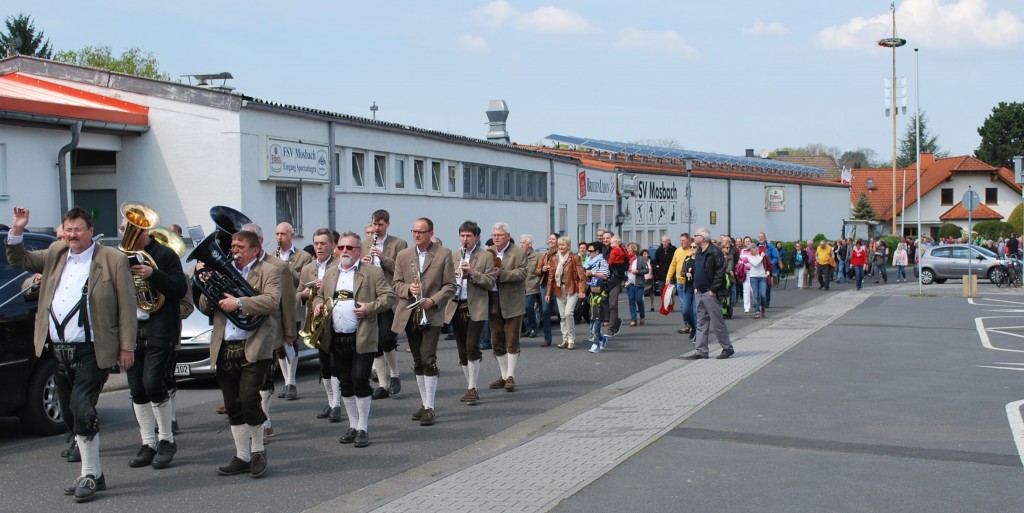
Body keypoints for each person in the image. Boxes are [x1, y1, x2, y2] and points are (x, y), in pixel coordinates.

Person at [7, 206, 136, 503]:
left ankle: (88, 474)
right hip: (58, 349)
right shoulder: (55, 252)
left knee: (82, 407)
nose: (72, 235)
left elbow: (127, 307)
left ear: (90, 231)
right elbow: (20, 259)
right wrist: (17, 229)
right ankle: (96, 472)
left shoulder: (112, 259)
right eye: (68, 229)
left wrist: (127, 347)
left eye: (78, 229)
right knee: (68, 412)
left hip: (93, 348)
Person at [199, 230, 281, 479]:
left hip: (254, 345)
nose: (234, 249)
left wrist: (240, 303)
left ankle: (258, 451)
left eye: (240, 246)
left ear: (255, 250)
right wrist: (207, 286)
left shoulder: (269, 271)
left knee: (248, 399)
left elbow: (271, 302)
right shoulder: (223, 270)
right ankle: (242, 456)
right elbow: (204, 306)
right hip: (226, 346)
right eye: (233, 245)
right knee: (233, 404)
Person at [120, 213, 188, 471]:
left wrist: (152, 274)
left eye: (133, 229)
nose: (128, 234)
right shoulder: (119, 257)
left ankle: (166, 440)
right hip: (132, 329)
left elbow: (179, 289)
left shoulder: (164, 255)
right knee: (136, 388)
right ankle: (147, 443)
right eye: (125, 229)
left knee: (153, 382)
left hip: (159, 326)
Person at [313, 232, 394, 447]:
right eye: (341, 248)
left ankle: (363, 428)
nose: (345, 252)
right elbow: (320, 295)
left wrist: (369, 308)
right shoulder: (331, 273)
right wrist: (317, 305)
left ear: (359, 250)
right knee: (345, 383)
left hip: (363, 336)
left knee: (360, 380)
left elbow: (389, 296)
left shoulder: (372, 272)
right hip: (337, 337)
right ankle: (353, 425)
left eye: (349, 248)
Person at [391, 218, 455, 425]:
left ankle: (430, 406)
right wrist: (409, 289)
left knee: (428, 359)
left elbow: (450, 286)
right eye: (414, 231)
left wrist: (433, 300)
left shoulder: (443, 253)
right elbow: (396, 284)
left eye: (421, 232)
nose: (416, 235)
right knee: (417, 360)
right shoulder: (403, 255)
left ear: (430, 233)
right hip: (410, 312)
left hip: (432, 313)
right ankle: (424, 402)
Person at [241, 223, 298, 440]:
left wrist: (290, 332)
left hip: (269, 329)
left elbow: (288, 302)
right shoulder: (236, 264)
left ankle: (265, 420)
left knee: (264, 378)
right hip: (241, 331)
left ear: (260, 242)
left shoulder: (278, 266)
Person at [444, 221, 496, 405]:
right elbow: (446, 281)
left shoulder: (485, 256)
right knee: (461, 350)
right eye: (462, 236)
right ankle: (470, 386)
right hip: (456, 305)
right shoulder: (454, 255)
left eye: (469, 236)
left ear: (477, 237)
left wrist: (472, 273)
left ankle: (472, 387)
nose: (465, 239)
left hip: (476, 306)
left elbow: (490, 282)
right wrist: (454, 277)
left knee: (472, 345)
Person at [363, 210, 408, 400]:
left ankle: (395, 375)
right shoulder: (365, 244)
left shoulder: (399, 243)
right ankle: (382, 384)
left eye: (380, 224)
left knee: (387, 339)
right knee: (375, 342)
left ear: (388, 224)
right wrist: (363, 263)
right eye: (374, 224)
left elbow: (402, 269)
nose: (377, 228)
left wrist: (383, 258)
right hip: (370, 297)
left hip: (389, 298)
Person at [297, 229, 340, 421]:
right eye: (316, 243)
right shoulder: (308, 268)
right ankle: (331, 401)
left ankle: (338, 403)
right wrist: (307, 293)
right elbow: (299, 293)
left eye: (323, 243)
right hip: (317, 321)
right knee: (323, 365)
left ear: (332, 245)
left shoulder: (339, 265)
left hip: (336, 319)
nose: (319, 247)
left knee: (334, 363)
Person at [486, 222, 528, 393]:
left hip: (512, 300)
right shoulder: (488, 251)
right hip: (493, 299)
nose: (496, 238)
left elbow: (523, 273)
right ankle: (503, 376)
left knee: (512, 340)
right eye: (494, 235)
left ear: (508, 237)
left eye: (500, 235)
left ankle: (510, 376)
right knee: (496, 340)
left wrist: (501, 274)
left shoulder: (518, 252)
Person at [274, 222, 312, 401]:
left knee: (291, 341)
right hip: (275, 305)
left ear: (291, 235)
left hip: (293, 304)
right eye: (277, 234)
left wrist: (286, 268)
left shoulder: (303, 257)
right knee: (279, 346)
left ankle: (292, 382)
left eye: (283, 234)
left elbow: (304, 281)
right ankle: (286, 381)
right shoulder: (270, 256)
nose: (279, 237)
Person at [684, 227, 735, 360]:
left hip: (710, 293)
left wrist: (713, 289)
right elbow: (697, 269)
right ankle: (701, 351)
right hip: (700, 291)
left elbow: (720, 272)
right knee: (701, 322)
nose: (693, 238)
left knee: (717, 322)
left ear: (702, 237)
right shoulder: (700, 251)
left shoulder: (715, 251)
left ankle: (727, 348)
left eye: (695, 235)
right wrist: (696, 285)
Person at [545, 236, 586, 349]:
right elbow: (551, 277)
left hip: (572, 288)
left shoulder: (574, 258)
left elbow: (581, 276)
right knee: (562, 316)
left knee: (568, 313)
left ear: (568, 246)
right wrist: (548, 293)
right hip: (559, 288)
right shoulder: (554, 259)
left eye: (563, 245)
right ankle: (565, 339)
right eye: (560, 245)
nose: (561, 247)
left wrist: (582, 291)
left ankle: (571, 338)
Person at [666, 233, 696, 338]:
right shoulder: (678, 251)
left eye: (683, 240)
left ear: (688, 240)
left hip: (691, 283)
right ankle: (687, 324)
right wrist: (668, 278)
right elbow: (672, 265)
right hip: (680, 282)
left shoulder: (692, 250)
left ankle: (694, 325)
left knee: (691, 306)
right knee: (684, 305)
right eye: (680, 240)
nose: (681, 242)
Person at [520, 234, 543, 341]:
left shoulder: (537, 256)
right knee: (523, 309)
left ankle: (533, 327)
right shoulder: (519, 255)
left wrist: (537, 281)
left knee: (529, 307)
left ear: (529, 244)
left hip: (532, 285)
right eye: (520, 243)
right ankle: (528, 329)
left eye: (523, 243)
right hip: (520, 286)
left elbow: (540, 271)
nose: (521, 245)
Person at [604, 234, 627, 336]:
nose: (605, 240)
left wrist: (616, 267)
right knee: (603, 303)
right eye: (603, 238)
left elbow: (626, 264)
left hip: (615, 280)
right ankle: (616, 321)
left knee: (612, 303)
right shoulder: (601, 249)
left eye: (607, 238)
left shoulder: (619, 250)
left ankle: (611, 327)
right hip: (603, 279)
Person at [744, 242, 769, 319]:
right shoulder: (749, 257)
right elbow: (755, 264)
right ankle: (757, 311)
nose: (750, 252)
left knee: (763, 295)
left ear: (755, 248)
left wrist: (768, 272)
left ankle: (763, 308)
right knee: (755, 295)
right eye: (749, 250)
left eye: (751, 250)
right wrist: (761, 257)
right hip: (753, 277)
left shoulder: (763, 255)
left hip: (762, 277)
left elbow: (768, 264)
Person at [625, 243, 648, 327]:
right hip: (629, 283)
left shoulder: (640, 259)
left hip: (639, 282)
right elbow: (623, 270)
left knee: (638, 299)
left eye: (629, 248)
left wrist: (638, 272)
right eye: (627, 248)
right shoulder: (626, 259)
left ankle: (642, 315)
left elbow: (646, 270)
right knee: (631, 300)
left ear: (634, 250)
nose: (627, 250)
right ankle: (633, 319)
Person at [652, 235, 676, 310]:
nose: (664, 243)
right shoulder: (659, 250)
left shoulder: (674, 250)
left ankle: (670, 303)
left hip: (670, 273)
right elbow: (655, 261)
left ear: (669, 241)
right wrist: (656, 267)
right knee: (662, 289)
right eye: (663, 242)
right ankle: (664, 304)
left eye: (666, 241)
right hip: (661, 274)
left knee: (669, 290)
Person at [587, 277, 608, 353]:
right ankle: (602, 339)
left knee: (595, 331)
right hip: (592, 316)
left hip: (598, 317)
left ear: (598, 287)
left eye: (593, 286)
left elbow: (606, 309)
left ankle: (595, 346)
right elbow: (590, 303)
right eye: (591, 286)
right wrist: (583, 298)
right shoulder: (592, 294)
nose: (591, 287)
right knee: (593, 331)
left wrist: (606, 320)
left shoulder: (603, 297)